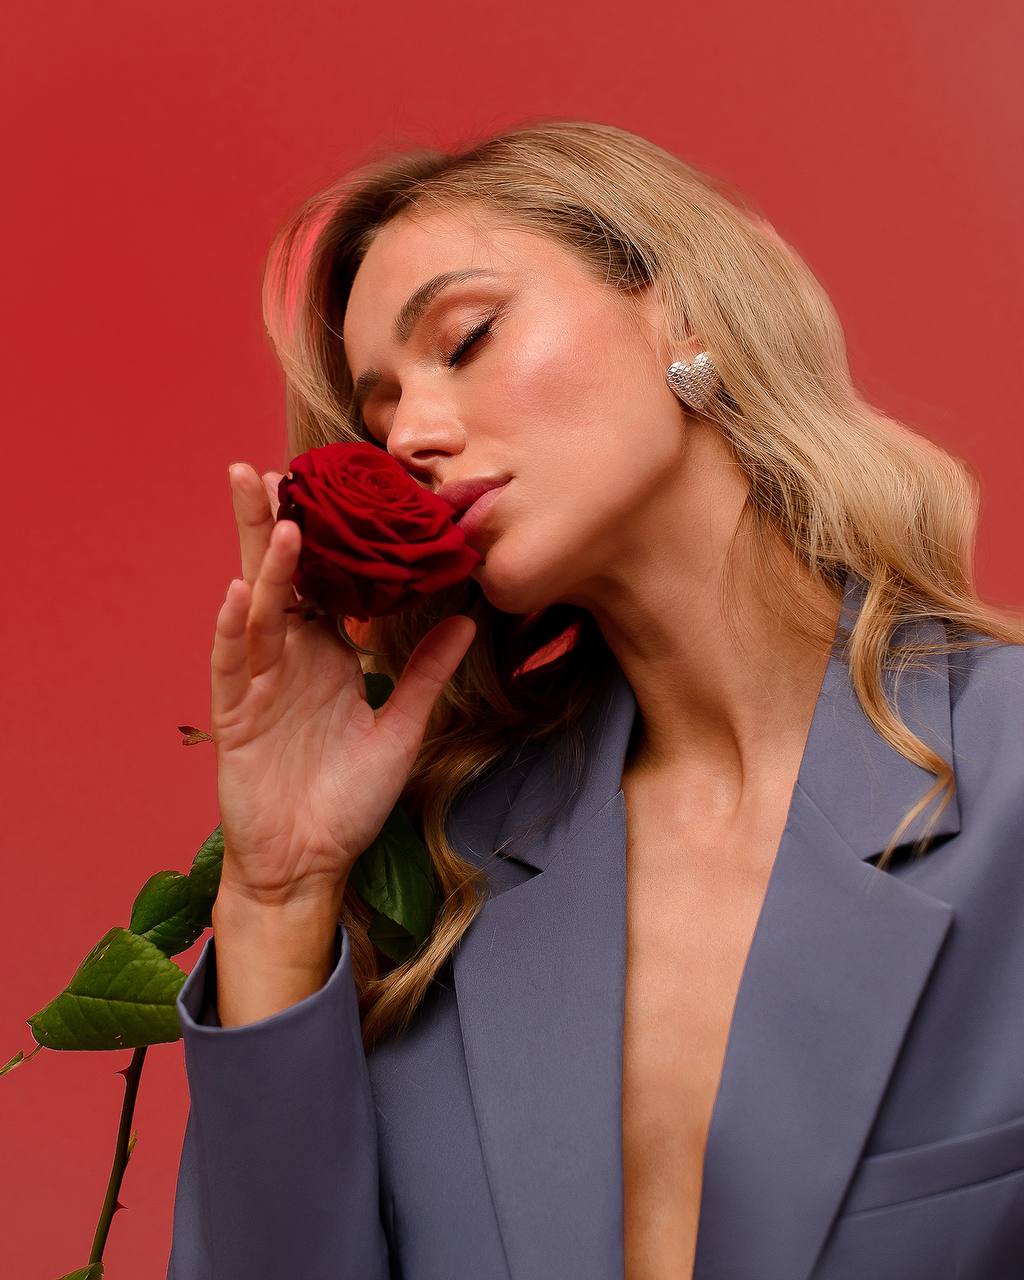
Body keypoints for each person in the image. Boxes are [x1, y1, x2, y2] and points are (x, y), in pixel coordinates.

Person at [166, 119, 1024, 1280]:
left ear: (685, 310)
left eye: (465, 338)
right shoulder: (449, 871)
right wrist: (276, 894)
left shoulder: (1005, 769)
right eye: (379, 414)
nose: (411, 433)